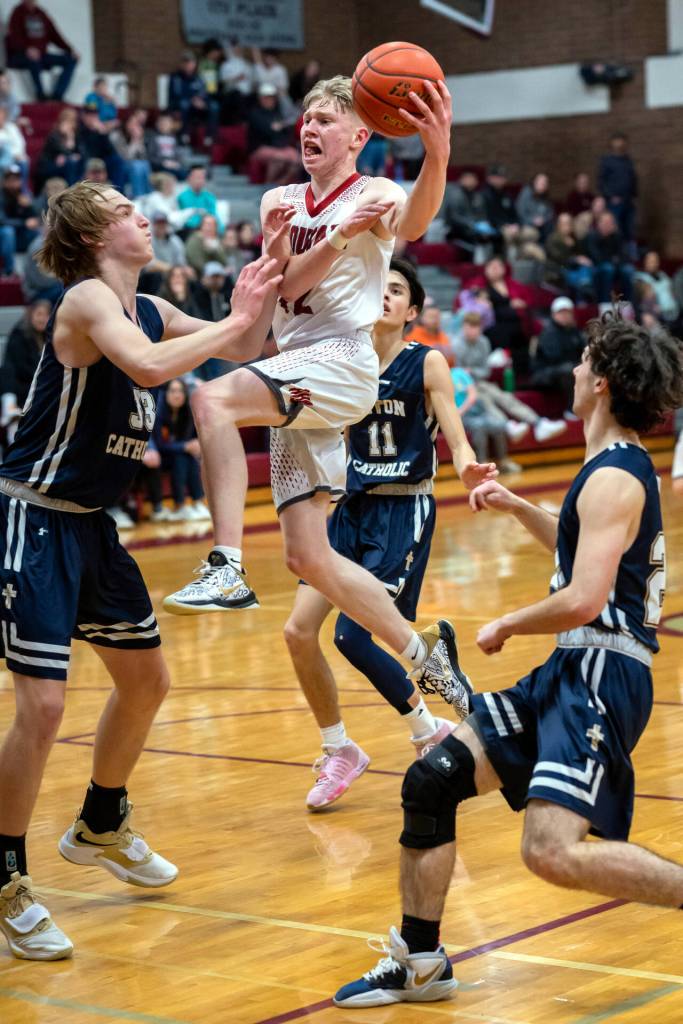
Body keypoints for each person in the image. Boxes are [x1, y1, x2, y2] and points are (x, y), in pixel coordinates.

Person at [334, 312, 683, 1007]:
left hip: (598, 674)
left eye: (585, 362)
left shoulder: (615, 477)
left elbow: (584, 597)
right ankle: (421, 963)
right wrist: (516, 505)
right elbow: (582, 546)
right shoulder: (608, 470)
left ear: (604, 385)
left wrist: (506, 623)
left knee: (548, 853)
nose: (575, 371)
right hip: (572, 669)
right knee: (431, 782)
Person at [0, 179, 286, 960]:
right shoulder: (88, 301)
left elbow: (241, 345)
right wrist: (232, 318)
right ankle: (7, 877)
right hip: (32, 512)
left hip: (92, 526)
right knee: (45, 705)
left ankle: (101, 820)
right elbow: (156, 369)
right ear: (95, 235)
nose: (144, 216)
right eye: (127, 210)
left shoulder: (153, 306)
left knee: (148, 681)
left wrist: (272, 266)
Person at [164, 74, 493, 702]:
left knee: (211, 399)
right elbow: (285, 290)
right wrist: (327, 239)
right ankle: (426, 655)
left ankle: (227, 566)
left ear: (360, 134)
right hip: (295, 365)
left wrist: (438, 151)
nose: (309, 128)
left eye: (325, 120)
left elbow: (418, 224)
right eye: (306, 118)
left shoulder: (376, 191)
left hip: (342, 362)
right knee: (308, 559)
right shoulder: (279, 201)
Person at [285, 259, 484, 810]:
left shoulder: (428, 362)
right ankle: (342, 747)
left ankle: (426, 729)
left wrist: (467, 465)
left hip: (403, 512)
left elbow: (454, 434)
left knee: (351, 636)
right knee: (298, 633)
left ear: (412, 310)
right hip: (351, 511)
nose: (386, 297)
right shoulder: (346, 363)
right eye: (380, 289)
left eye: (397, 291)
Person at [452, 311, 567, 444]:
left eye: (476, 327)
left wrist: (471, 371)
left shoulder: (484, 342)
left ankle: (538, 423)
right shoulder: (456, 345)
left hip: (481, 382)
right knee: (486, 401)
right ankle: (507, 425)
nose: (473, 331)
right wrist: (468, 374)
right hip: (464, 388)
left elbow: (486, 371)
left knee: (505, 397)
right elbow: (456, 374)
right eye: (470, 327)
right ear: (464, 327)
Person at [154, 378, 211, 521]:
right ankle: (180, 505)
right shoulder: (158, 412)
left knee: (187, 457)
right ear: (166, 394)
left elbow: (192, 438)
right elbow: (160, 444)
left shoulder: (187, 411)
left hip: (179, 454)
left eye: (180, 391)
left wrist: (195, 445)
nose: (177, 395)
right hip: (161, 455)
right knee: (181, 456)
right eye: (173, 391)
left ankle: (197, 503)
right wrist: (184, 446)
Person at [4, 0, 78, 102]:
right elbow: (13, 38)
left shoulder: (42, 14)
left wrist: (70, 50)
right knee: (34, 59)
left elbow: (55, 35)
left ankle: (57, 95)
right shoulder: (17, 13)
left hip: (41, 55)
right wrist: (27, 49)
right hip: (19, 56)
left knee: (70, 60)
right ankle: (41, 96)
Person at [530, 297, 585, 415]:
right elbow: (554, 357)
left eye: (567, 312)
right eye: (561, 312)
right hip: (545, 372)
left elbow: (584, 351)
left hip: (567, 367)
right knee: (569, 370)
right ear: (554, 314)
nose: (565, 315)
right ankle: (571, 409)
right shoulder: (548, 333)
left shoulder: (575, 332)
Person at [598, 132, 637, 241]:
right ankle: (618, 255)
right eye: (617, 141)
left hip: (628, 201)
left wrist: (633, 195)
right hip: (615, 203)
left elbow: (633, 179)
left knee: (630, 231)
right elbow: (601, 182)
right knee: (617, 230)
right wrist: (611, 196)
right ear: (612, 143)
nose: (620, 144)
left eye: (622, 141)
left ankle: (630, 256)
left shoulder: (628, 161)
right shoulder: (607, 161)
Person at [177, 165, 224, 234]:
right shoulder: (182, 197)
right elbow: (184, 219)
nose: (200, 180)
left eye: (202, 177)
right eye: (197, 177)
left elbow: (213, 215)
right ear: (189, 178)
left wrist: (220, 229)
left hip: (207, 228)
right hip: (189, 230)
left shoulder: (209, 196)